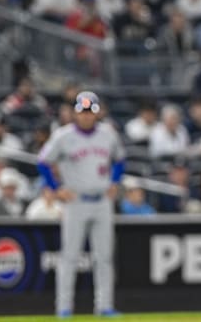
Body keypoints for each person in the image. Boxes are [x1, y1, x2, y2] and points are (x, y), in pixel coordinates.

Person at [37, 91, 125, 317]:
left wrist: (115, 181)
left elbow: (120, 159)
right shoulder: (63, 136)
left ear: (97, 113)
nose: (86, 116)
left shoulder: (108, 134)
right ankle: (64, 307)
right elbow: (43, 162)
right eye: (83, 112)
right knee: (70, 256)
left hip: (102, 200)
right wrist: (56, 189)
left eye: (90, 112)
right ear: (76, 112)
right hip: (76, 201)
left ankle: (104, 306)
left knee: (104, 256)